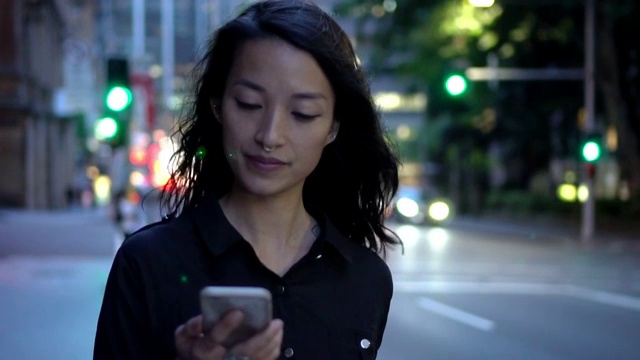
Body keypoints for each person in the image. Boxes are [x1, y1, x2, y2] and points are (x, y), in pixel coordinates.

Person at [94, 0, 401, 359]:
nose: (270, 136)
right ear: (218, 105)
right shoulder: (148, 263)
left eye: (303, 114)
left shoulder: (366, 278)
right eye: (249, 104)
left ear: (333, 126)